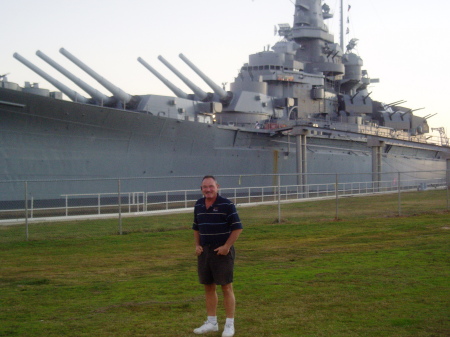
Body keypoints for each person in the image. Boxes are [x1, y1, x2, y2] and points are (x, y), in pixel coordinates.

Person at [192, 175, 243, 337]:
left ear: (217, 187)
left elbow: (237, 228)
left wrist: (227, 247)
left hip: (222, 251)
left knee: (226, 287)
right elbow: (196, 227)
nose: (208, 189)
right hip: (204, 251)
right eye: (205, 187)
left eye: (211, 186)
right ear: (201, 189)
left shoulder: (227, 204)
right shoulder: (199, 204)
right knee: (208, 286)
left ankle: (229, 324)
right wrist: (197, 245)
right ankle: (212, 322)